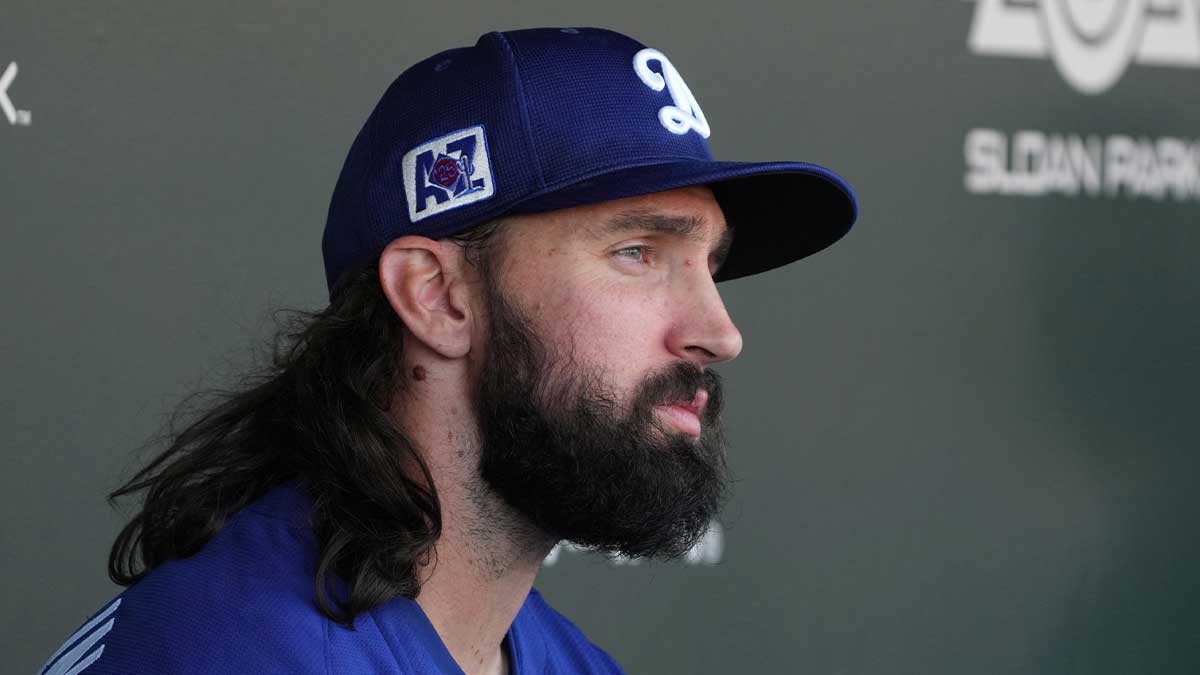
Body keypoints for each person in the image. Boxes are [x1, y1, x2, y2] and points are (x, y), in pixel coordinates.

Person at [39, 26, 857, 675]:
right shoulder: (226, 653)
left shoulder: (572, 661)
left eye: (709, 267)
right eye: (638, 253)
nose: (719, 331)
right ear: (438, 296)